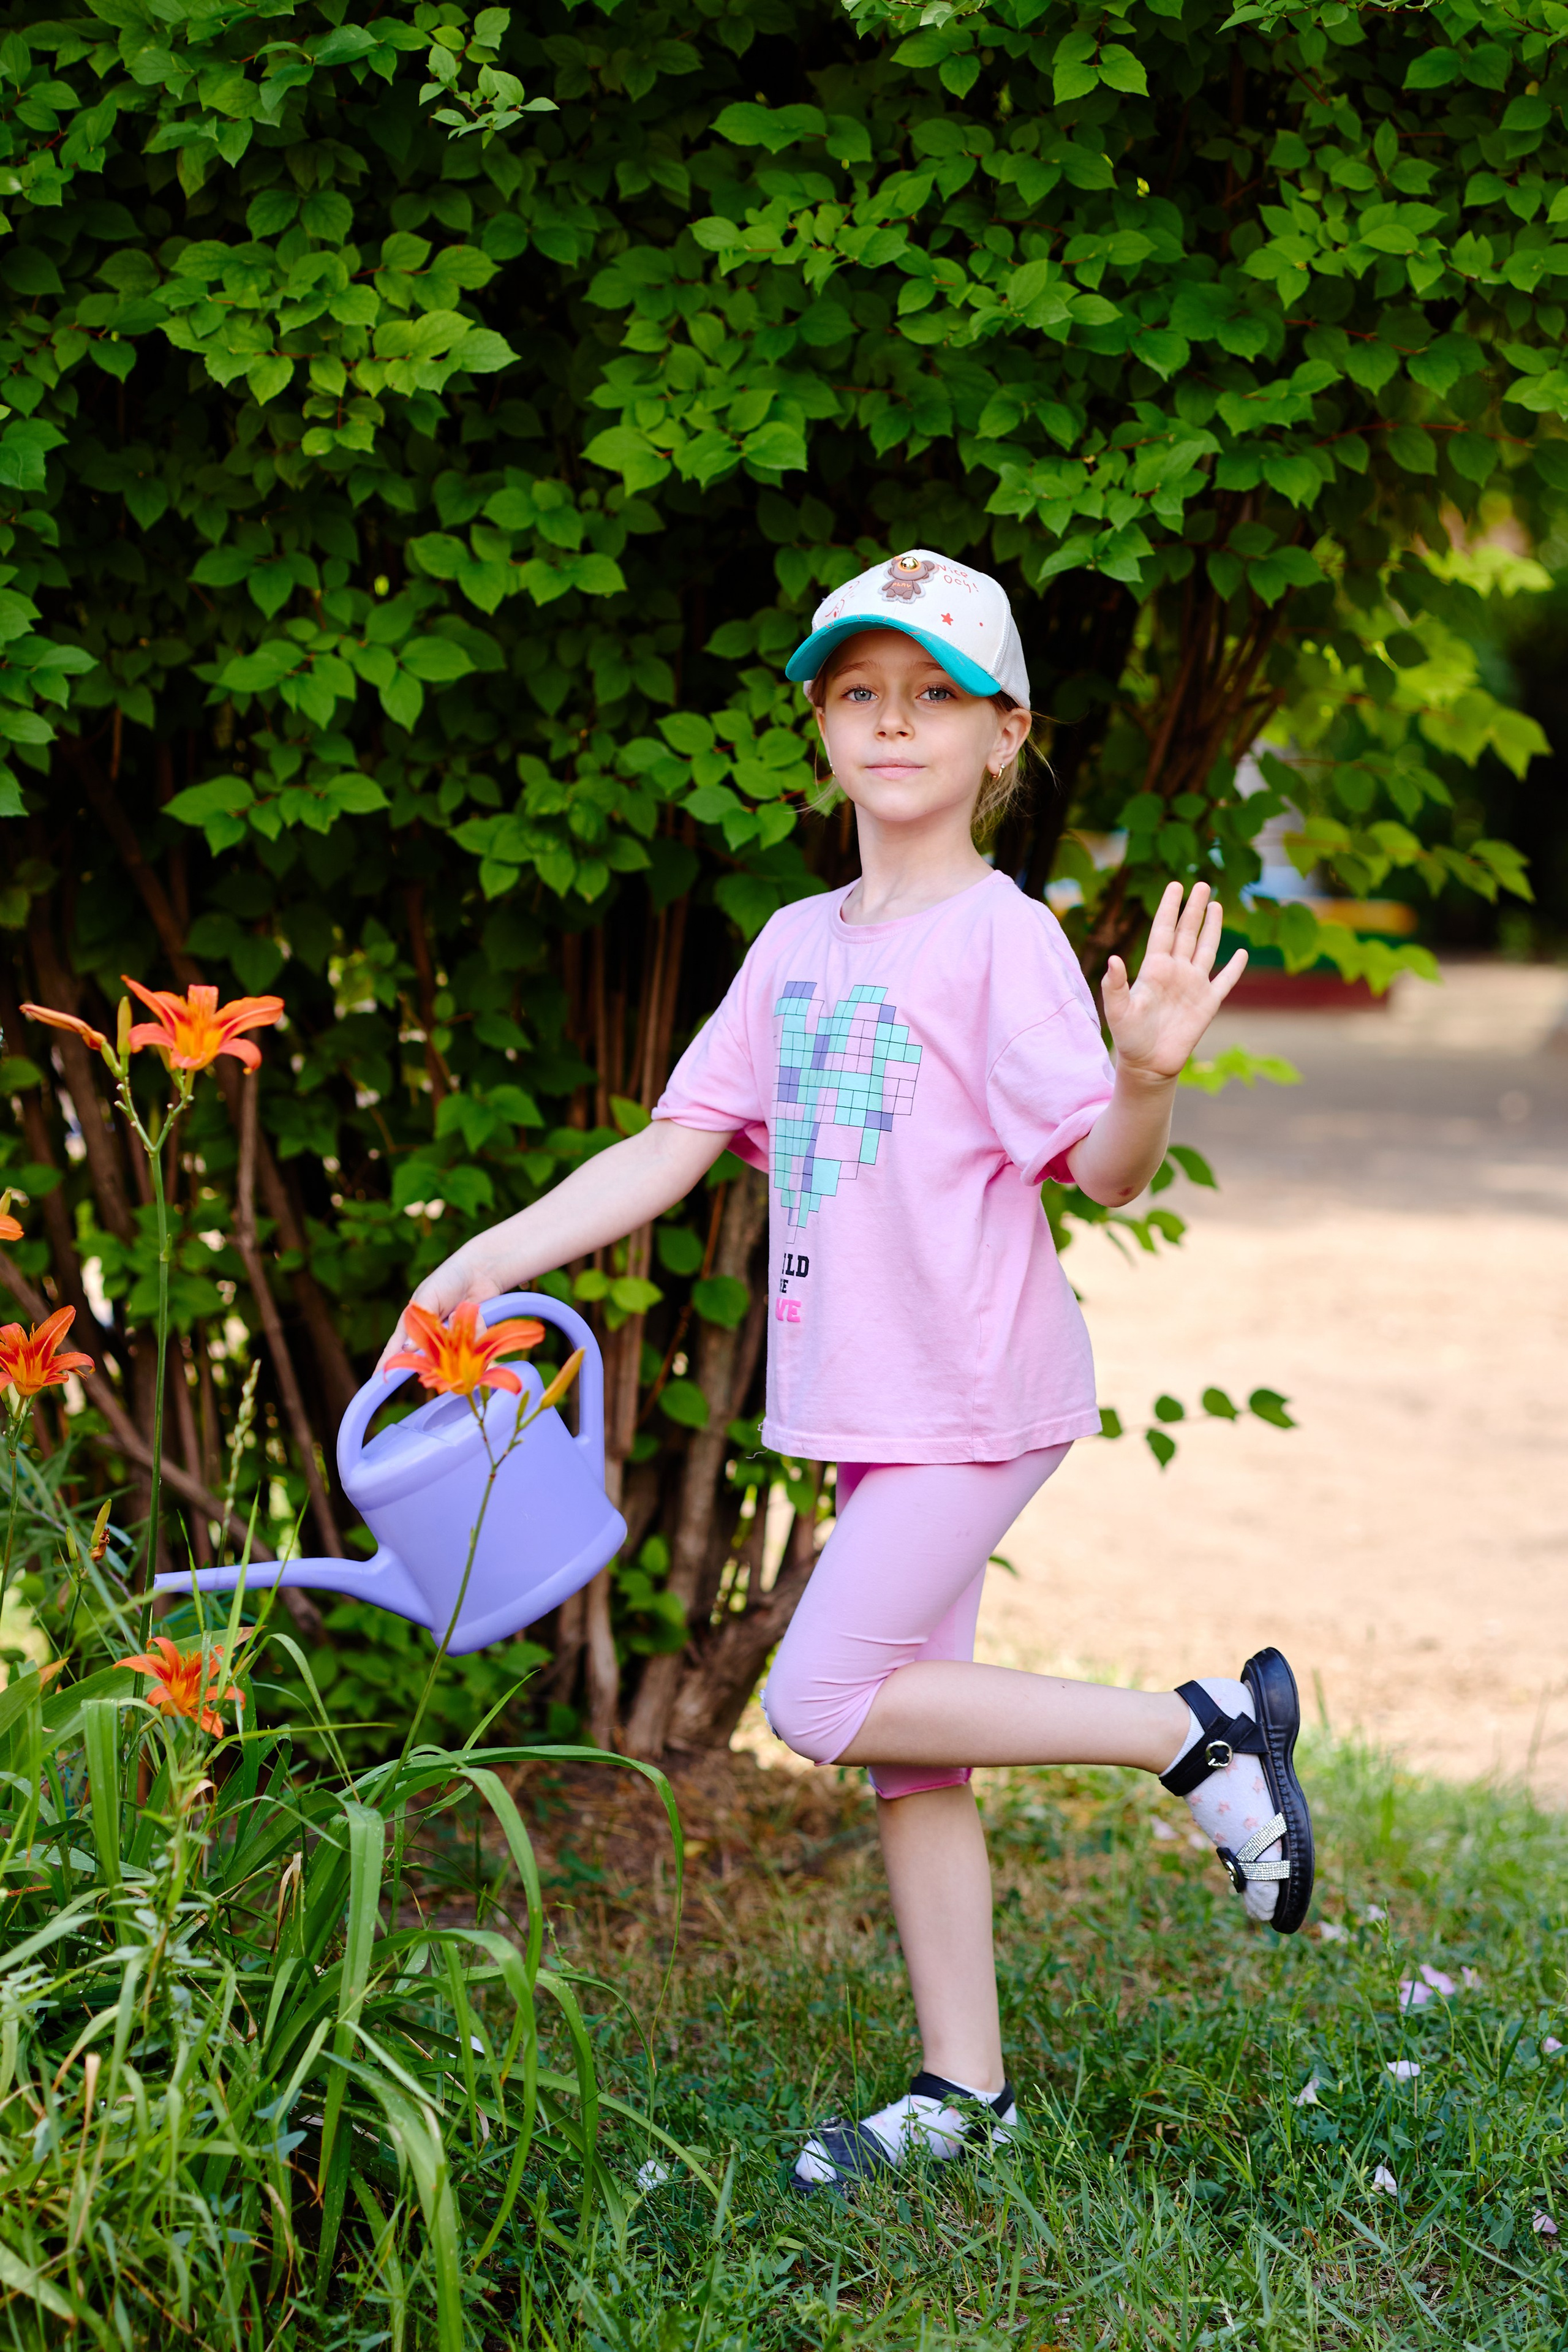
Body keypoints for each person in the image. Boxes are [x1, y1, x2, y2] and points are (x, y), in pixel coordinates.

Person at [387, 548, 1314, 2199]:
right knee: (912, 1754)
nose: (893, 722)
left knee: (819, 1700)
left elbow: (1106, 1176)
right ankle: (966, 2090)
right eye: (859, 692)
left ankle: (1196, 1733)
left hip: (977, 1396)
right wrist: (484, 1262)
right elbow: (670, 1147)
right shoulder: (796, 944)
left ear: (1003, 735)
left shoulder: (1003, 940)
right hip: (878, 1411)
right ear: (821, 723)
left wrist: (1149, 1077)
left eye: (934, 694)